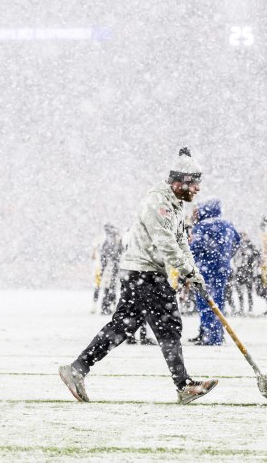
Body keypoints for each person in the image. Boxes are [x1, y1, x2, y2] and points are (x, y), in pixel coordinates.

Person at [58, 147, 219, 404]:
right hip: (145, 272)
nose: (198, 189)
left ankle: (78, 368)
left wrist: (193, 272)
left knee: (124, 325)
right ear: (180, 182)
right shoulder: (158, 204)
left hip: (143, 272)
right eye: (195, 184)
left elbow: (181, 242)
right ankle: (183, 384)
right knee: (168, 326)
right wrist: (186, 272)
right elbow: (166, 243)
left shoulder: (174, 204)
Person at [189, 198, 241, 345]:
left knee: (205, 303)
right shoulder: (228, 225)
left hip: (205, 269)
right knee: (218, 301)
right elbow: (237, 242)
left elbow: (194, 248)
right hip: (222, 269)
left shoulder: (201, 227)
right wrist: (226, 257)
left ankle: (209, 336)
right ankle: (217, 334)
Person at [92, 223, 124, 315]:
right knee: (111, 287)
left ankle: (105, 306)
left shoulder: (107, 241)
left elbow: (104, 253)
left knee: (106, 287)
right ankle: (109, 306)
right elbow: (118, 252)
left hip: (107, 267)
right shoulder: (113, 240)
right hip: (111, 266)